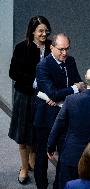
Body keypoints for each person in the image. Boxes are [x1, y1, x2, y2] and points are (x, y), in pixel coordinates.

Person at [34, 33, 85, 189]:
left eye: (67, 49)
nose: (65, 53)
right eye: (61, 49)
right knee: (42, 158)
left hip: (65, 117)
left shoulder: (70, 61)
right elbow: (56, 93)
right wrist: (73, 89)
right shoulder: (43, 66)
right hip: (46, 119)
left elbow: (79, 82)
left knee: (64, 157)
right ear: (52, 47)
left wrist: (61, 94)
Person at [8, 15, 52, 185]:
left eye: (46, 30)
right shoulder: (21, 47)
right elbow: (13, 73)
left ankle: (32, 162)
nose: (44, 34)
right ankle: (24, 168)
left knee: (36, 132)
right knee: (23, 134)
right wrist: (32, 81)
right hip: (25, 95)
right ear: (32, 31)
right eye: (41, 30)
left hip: (43, 96)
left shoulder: (50, 46)